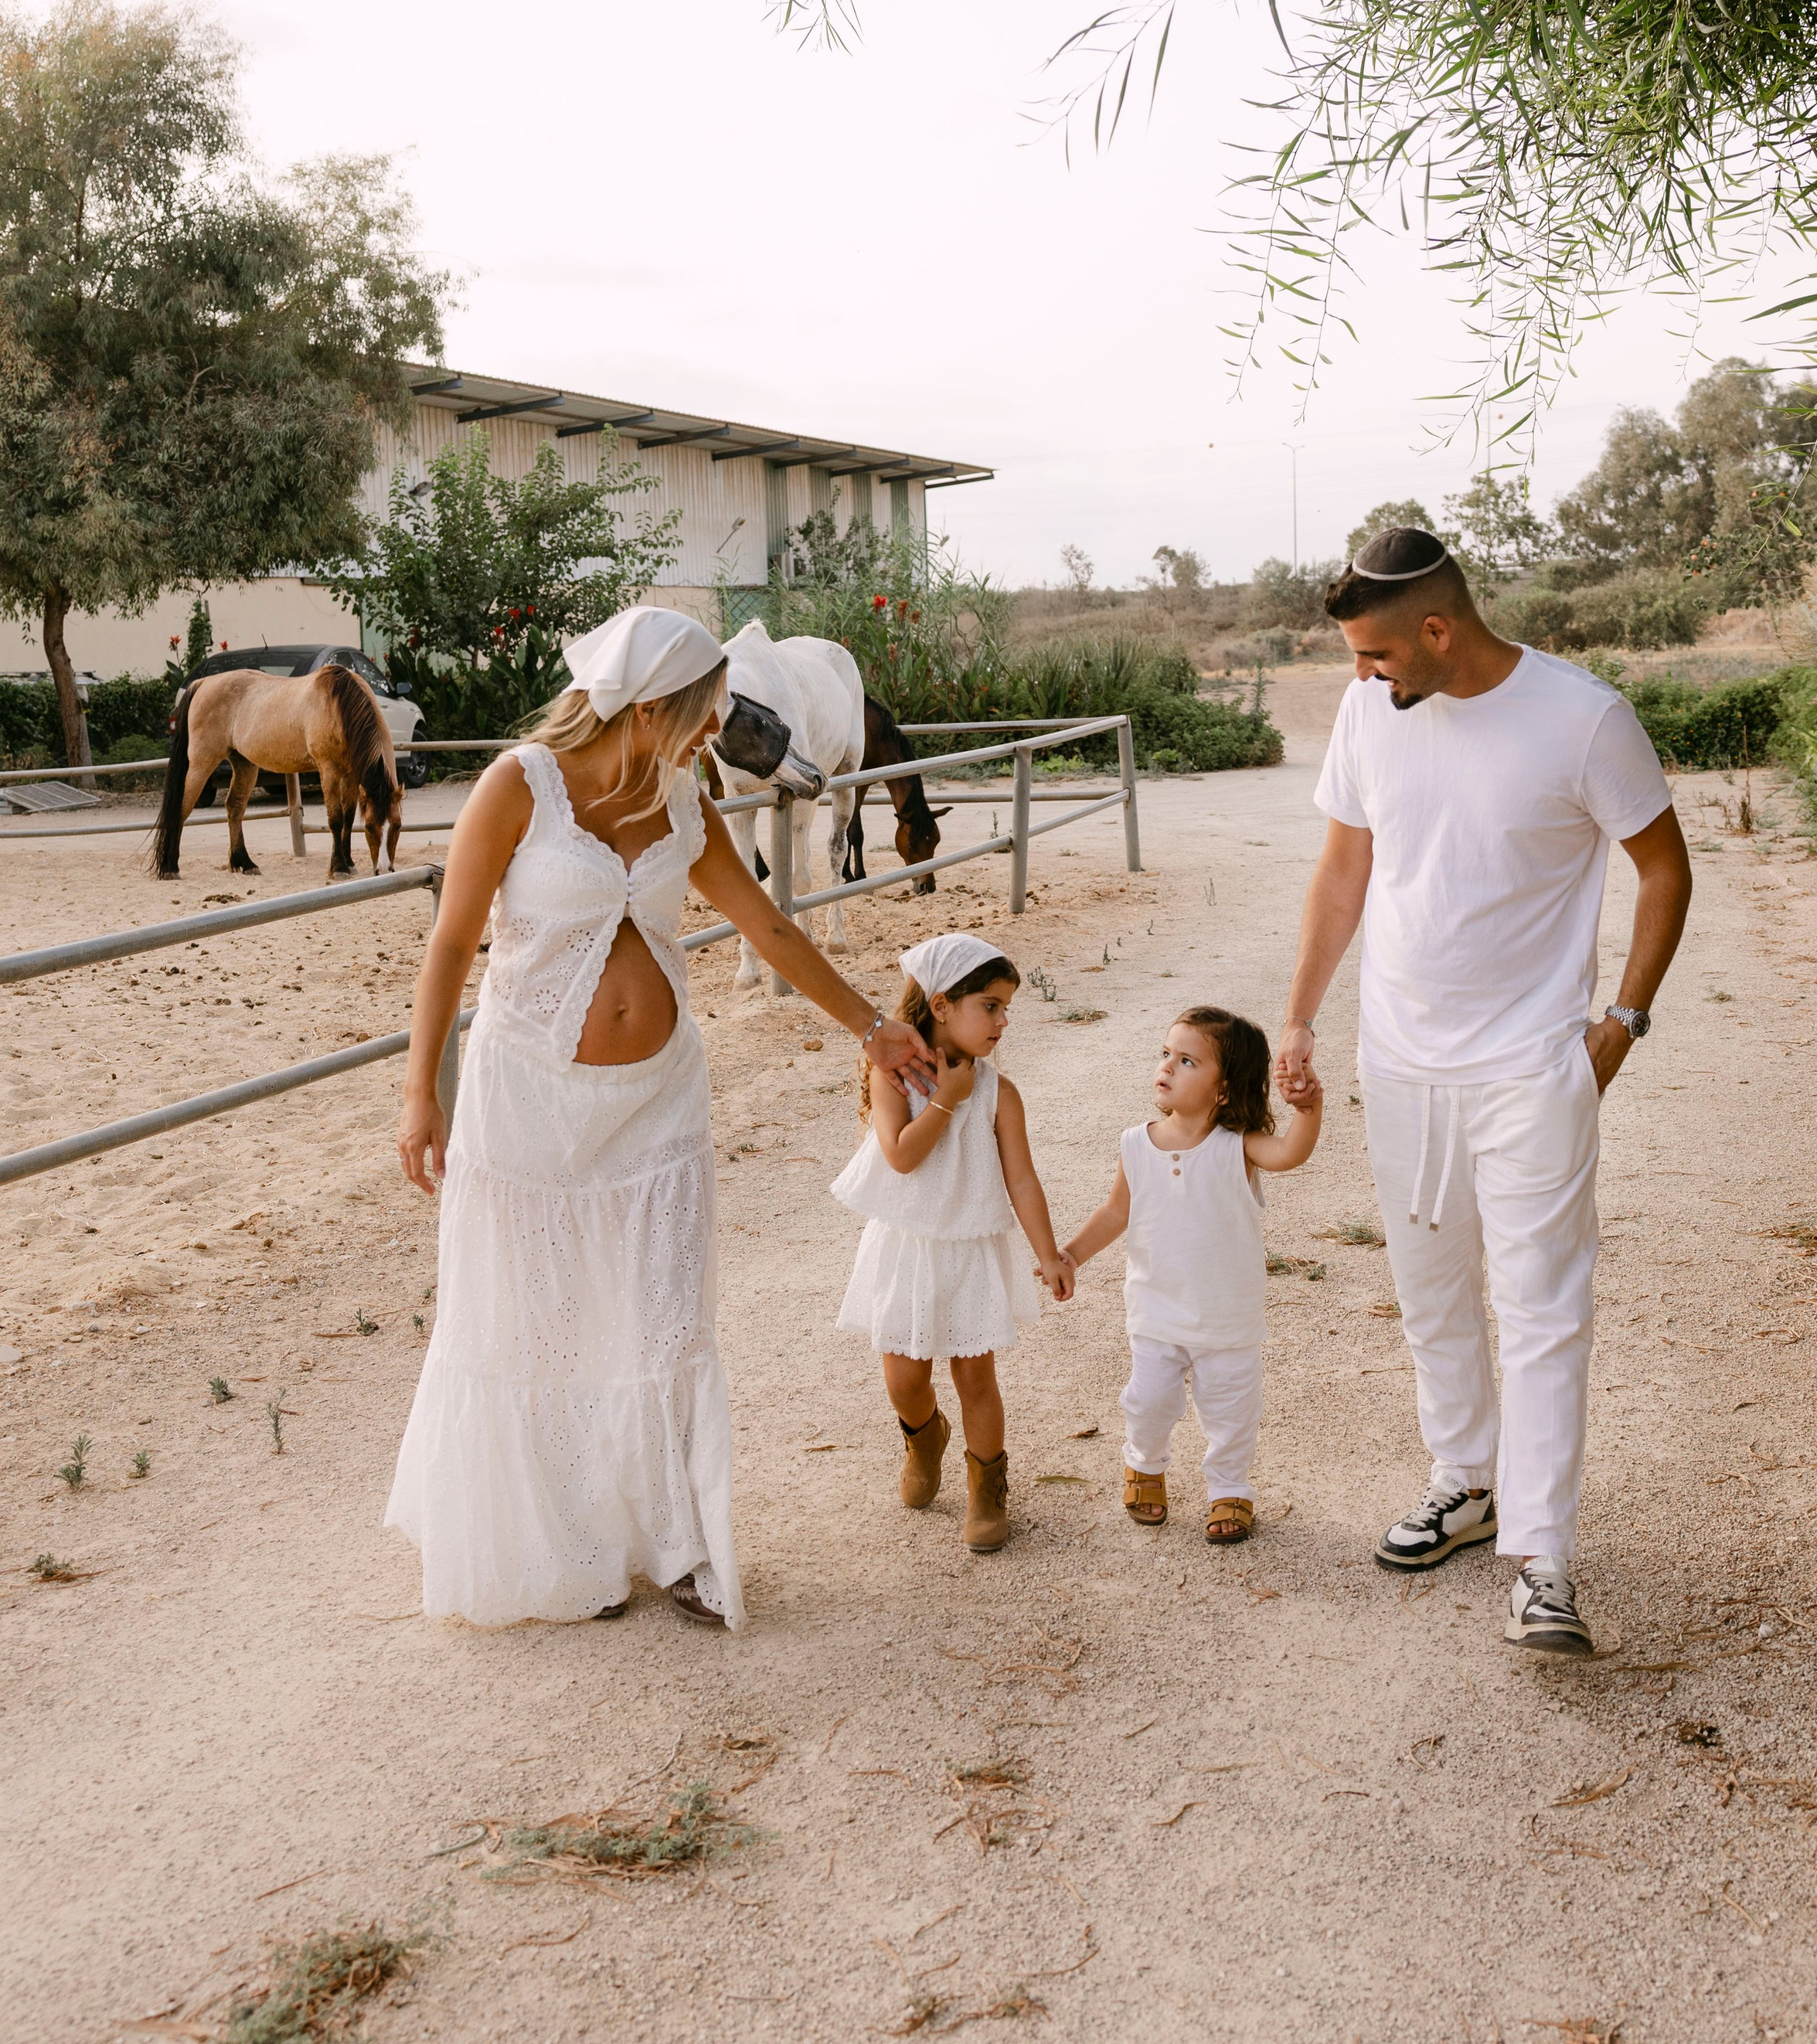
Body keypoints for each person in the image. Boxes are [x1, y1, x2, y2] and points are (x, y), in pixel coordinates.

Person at [388, 605, 936, 1633]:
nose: (716, 731)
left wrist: (872, 1027)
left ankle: (680, 1543)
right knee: (542, 1320)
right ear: (647, 708)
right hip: (528, 1100)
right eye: (704, 712)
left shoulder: (685, 798)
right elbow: (452, 943)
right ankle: (570, 1550)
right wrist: (423, 1090)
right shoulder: (519, 786)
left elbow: (767, 925)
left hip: (659, 1104)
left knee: (665, 1317)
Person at [1278, 529, 1691, 1658]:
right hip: (1402, 1063)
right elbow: (1345, 867)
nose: (1363, 675)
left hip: (1532, 1068)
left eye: (1375, 654)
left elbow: (1664, 866)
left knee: (1543, 1306)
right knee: (1431, 1294)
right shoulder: (1369, 711)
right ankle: (1466, 1482)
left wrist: (1622, 1023)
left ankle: (1544, 1561)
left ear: (1437, 630)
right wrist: (1301, 1015)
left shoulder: (1582, 718)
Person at [831, 934, 1072, 1554]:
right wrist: (945, 1099)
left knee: (976, 1376)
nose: (1003, 1021)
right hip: (907, 1247)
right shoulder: (894, 1078)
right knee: (904, 1380)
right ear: (941, 1005)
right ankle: (924, 1437)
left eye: (1005, 1008)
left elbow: (1022, 1178)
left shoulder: (999, 1093)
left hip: (970, 1248)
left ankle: (987, 1487)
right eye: (990, 1006)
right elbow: (901, 1157)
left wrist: (1048, 1255)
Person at [1063, 1007, 1322, 1545]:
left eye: (1187, 1061)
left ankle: (1229, 1486)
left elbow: (1289, 1153)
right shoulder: (1136, 1143)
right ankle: (1144, 1464)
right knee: (1148, 1401)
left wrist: (1309, 1110)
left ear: (1223, 1089)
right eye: (1166, 1054)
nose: (1167, 1066)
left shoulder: (1239, 1146)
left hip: (1227, 1318)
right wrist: (1071, 1255)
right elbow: (1115, 1212)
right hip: (1156, 1309)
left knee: (1232, 1412)